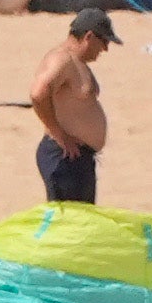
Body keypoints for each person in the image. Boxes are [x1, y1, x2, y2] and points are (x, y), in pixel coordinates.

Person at [35, 12, 116, 208]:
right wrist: (58, 134)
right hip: (64, 156)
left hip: (78, 158)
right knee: (68, 225)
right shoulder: (62, 60)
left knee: (82, 223)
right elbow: (38, 93)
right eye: (104, 41)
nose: (105, 49)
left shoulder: (76, 62)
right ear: (89, 37)